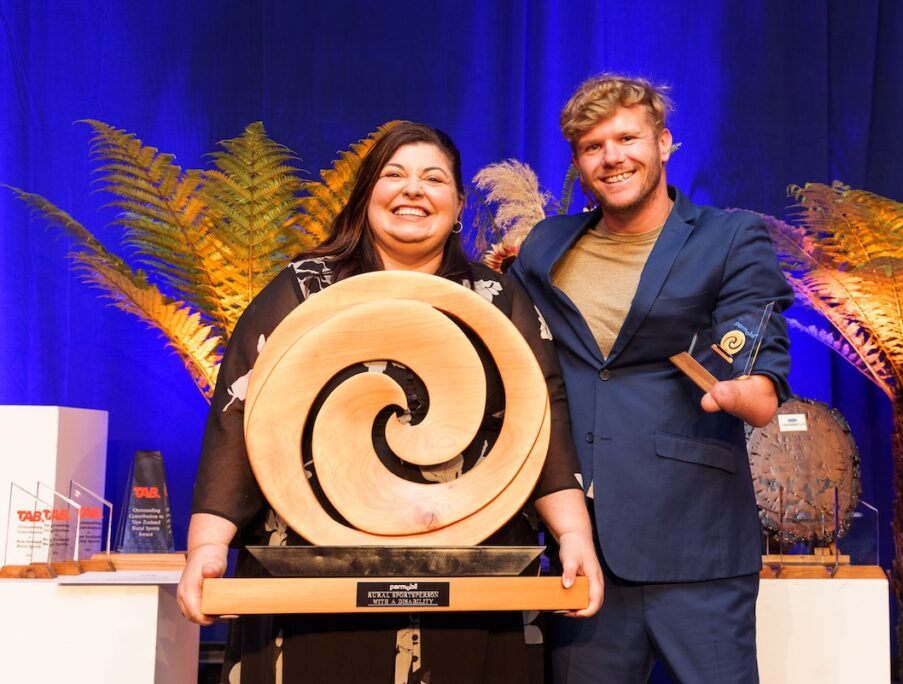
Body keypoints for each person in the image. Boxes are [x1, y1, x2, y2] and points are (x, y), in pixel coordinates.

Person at [177, 122, 603, 684]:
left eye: (433, 179)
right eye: (393, 175)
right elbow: (240, 417)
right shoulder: (304, 290)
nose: (413, 190)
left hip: (472, 561)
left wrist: (574, 538)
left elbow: (542, 419)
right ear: (365, 197)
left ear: (456, 207)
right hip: (314, 567)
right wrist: (207, 547)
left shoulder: (498, 301)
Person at [511, 74, 793, 683]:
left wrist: (745, 394)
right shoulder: (543, 246)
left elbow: (759, 360)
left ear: (664, 143)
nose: (612, 157)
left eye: (627, 138)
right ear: (579, 163)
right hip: (582, 549)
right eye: (592, 146)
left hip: (698, 546)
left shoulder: (729, 237)